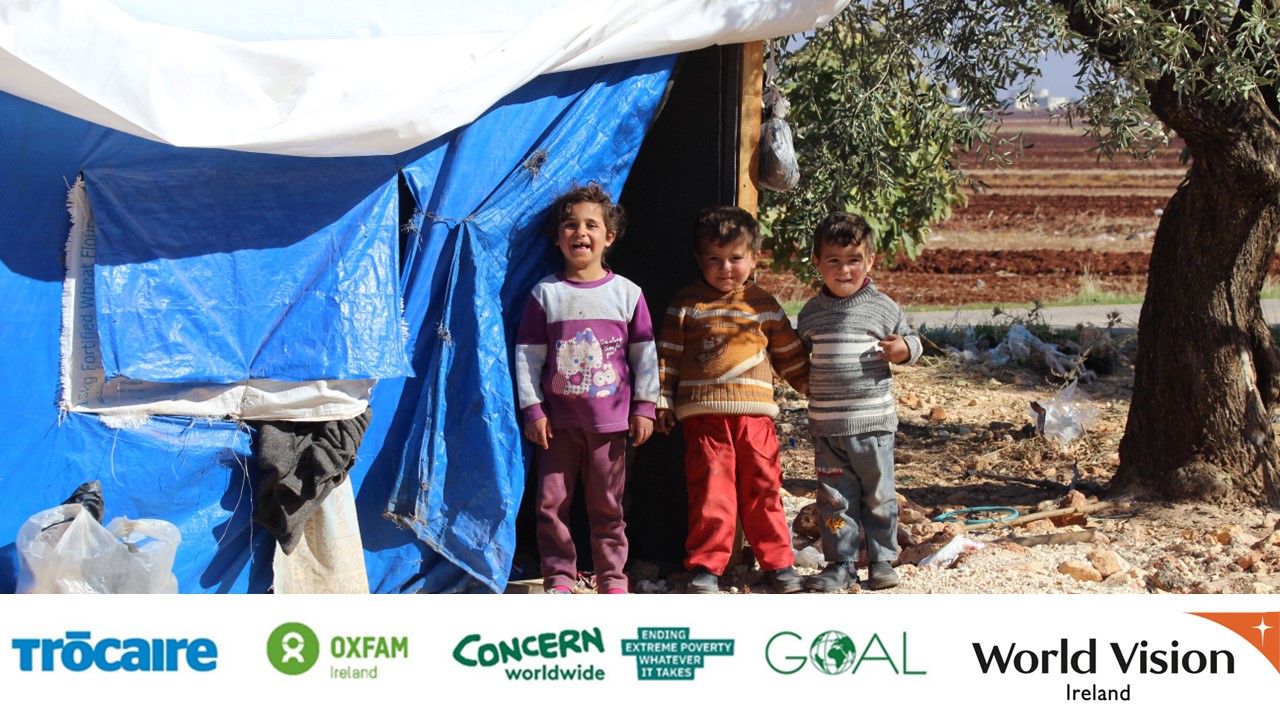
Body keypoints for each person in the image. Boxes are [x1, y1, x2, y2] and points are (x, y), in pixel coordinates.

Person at [513, 184, 658, 594]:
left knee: (608, 506)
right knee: (551, 503)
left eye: (591, 225)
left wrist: (645, 406)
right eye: (570, 225)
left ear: (609, 236)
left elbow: (644, 355)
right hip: (556, 426)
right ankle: (560, 576)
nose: (581, 232)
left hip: (610, 426)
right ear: (557, 237)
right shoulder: (546, 294)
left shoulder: (627, 295)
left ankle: (612, 577)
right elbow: (528, 357)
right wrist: (534, 410)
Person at [655, 206, 809, 594]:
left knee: (763, 487)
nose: (726, 268)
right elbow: (667, 355)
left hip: (755, 418)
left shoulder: (763, 304)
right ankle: (707, 565)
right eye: (714, 259)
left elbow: (789, 354)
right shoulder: (687, 303)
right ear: (698, 259)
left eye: (736, 258)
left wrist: (815, 388)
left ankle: (777, 562)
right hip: (704, 419)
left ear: (755, 257)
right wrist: (660, 399)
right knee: (711, 490)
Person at [796, 211, 921, 591]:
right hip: (828, 429)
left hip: (874, 426)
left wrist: (902, 349)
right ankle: (841, 563)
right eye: (833, 260)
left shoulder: (882, 306)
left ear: (869, 261)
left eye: (853, 260)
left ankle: (882, 560)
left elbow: (912, 341)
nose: (844, 269)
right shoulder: (811, 313)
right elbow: (798, 358)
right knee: (835, 501)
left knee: (880, 495)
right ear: (817, 262)